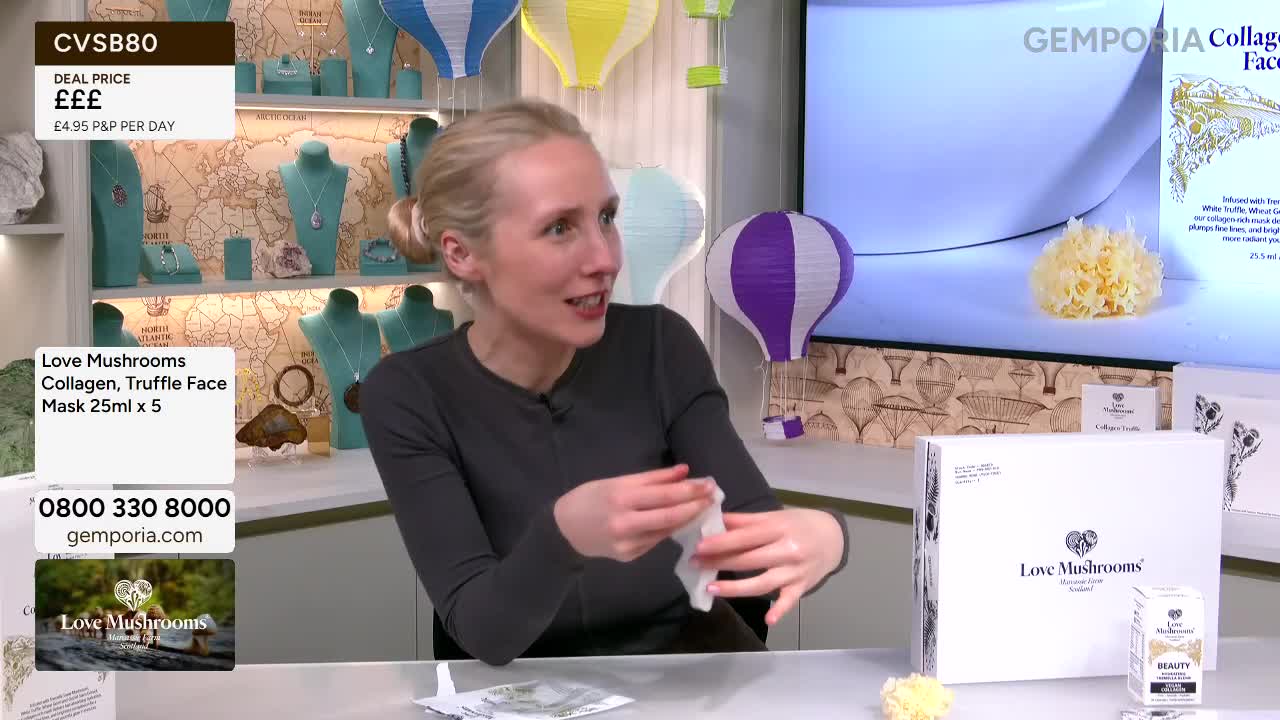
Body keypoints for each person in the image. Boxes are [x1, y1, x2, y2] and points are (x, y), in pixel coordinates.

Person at [360, 98, 849, 666]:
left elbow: (759, 543)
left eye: (607, 218)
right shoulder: (408, 394)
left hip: (688, 674)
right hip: (516, 691)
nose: (605, 258)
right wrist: (562, 536)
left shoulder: (661, 346)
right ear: (462, 253)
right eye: (559, 227)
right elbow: (483, 633)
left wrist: (828, 536)